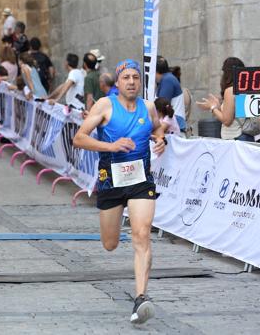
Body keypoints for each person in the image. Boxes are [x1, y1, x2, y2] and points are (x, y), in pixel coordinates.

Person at [73, 59, 166, 325]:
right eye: (127, 77)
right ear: (118, 81)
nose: (132, 82)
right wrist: (111, 147)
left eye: (136, 77)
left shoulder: (147, 107)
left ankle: (141, 297)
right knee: (110, 243)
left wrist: (160, 140)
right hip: (110, 180)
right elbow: (79, 138)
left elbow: (157, 127)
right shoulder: (105, 105)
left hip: (141, 180)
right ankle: (137, 288)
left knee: (142, 234)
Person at [196, 57, 258, 141]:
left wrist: (212, 107)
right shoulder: (244, 90)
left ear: (227, 73)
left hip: (236, 138)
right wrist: (218, 107)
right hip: (246, 136)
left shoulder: (230, 90)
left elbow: (227, 121)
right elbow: (237, 115)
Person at [155, 57, 187, 133]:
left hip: (172, 126)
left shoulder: (167, 80)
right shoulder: (167, 79)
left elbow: (161, 105)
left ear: (155, 71)